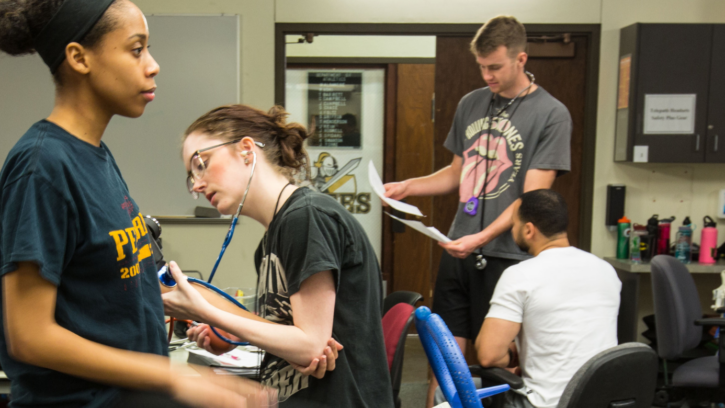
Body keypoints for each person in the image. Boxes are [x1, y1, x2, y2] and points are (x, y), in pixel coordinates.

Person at [0, 1, 276, 407]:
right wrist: (175, 379)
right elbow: (29, 336)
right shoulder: (42, 166)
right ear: (79, 58)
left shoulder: (96, 156)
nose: (153, 65)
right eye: (136, 49)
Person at [382, 16, 572, 406]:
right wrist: (407, 186)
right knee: (444, 358)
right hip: (459, 250)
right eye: (482, 67)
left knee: (491, 363)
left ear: (521, 58)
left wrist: (482, 237)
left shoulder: (551, 114)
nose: (487, 75)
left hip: (507, 258)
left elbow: (531, 198)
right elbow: (456, 173)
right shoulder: (471, 103)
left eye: (496, 67)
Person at [162, 104, 395, 407]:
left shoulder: (307, 218)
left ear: (246, 150)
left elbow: (310, 346)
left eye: (201, 164)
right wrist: (229, 333)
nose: (196, 184)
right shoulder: (276, 233)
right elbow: (293, 333)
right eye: (190, 176)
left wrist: (207, 312)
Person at [474, 189, 621, 408]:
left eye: (514, 224)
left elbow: (488, 355)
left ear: (529, 229)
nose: (513, 230)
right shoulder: (607, 271)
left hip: (545, 403)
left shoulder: (520, 275)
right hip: (602, 400)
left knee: (448, 395)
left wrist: (513, 357)